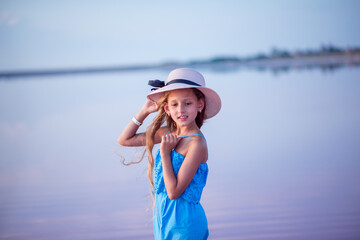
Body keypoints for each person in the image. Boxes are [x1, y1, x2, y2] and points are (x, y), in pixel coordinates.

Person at [118, 68, 221, 239]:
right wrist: (144, 111)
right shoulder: (168, 133)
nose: (181, 110)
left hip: (185, 224)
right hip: (163, 219)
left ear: (199, 105)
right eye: (174, 104)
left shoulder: (197, 144)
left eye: (187, 103)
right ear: (166, 108)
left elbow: (173, 192)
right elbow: (124, 140)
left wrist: (165, 154)